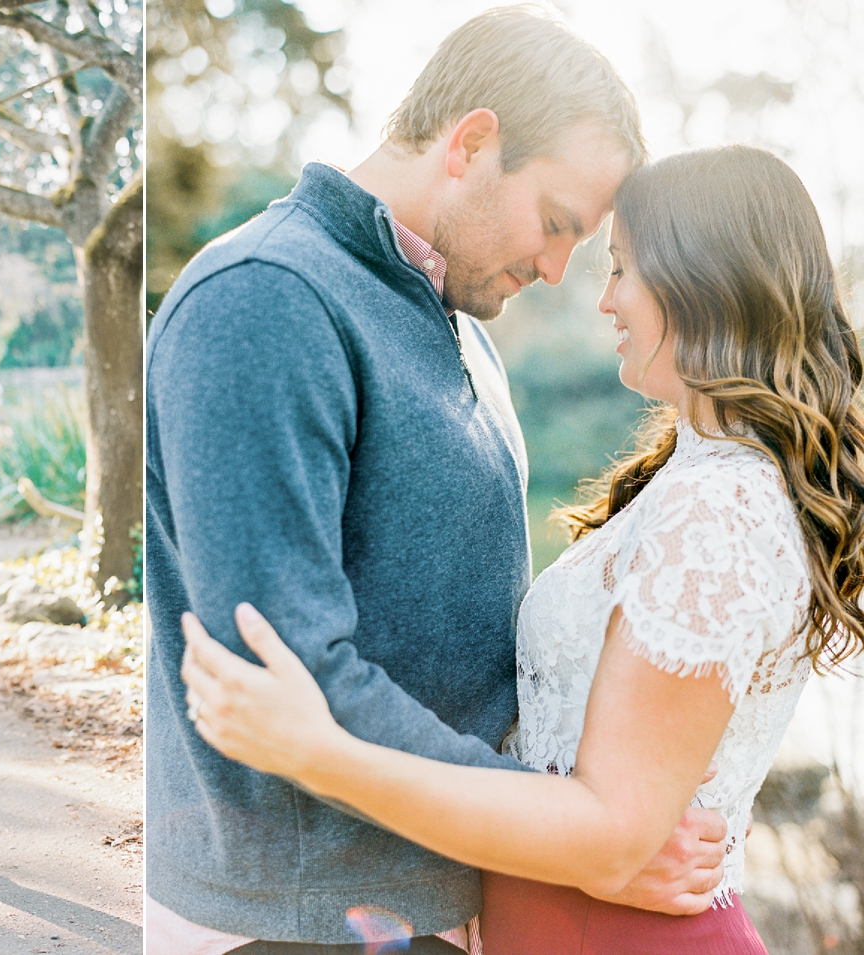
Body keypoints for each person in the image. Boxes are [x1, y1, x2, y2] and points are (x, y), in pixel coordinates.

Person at [145, 7, 730, 953]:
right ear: (471, 143)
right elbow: (285, 673)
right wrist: (581, 834)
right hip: (302, 920)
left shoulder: (454, 321)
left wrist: (586, 822)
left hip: (431, 898)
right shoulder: (266, 300)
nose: (554, 268)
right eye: (554, 223)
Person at [181, 145, 864, 952]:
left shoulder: (724, 509)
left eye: (622, 269)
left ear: (705, 282)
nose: (605, 300)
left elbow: (614, 832)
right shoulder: (696, 479)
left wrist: (320, 751)